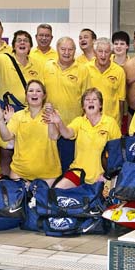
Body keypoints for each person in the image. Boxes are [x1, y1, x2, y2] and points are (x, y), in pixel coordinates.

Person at [48, 88, 122, 188]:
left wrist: (107, 175)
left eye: (94, 99)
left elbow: (118, 151)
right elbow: (67, 134)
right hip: (78, 173)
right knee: (56, 192)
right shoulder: (79, 121)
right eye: (87, 99)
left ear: (100, 105)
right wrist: (59, 122)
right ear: (83, 106)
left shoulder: (110, 123)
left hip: (101, 176)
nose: (90, 101)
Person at [0, 80, 61, 185]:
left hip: (48, 175)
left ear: (44, 96)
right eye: (31, 91)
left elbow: (54, 136)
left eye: (38, 91)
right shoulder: (18, 116)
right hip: (20, 173)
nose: (34, 93)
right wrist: (1, 121)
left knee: (41, 200)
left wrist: (50, 119)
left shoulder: (53, 113)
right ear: (26, 95)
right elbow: (6, 137)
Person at [42, 36, 90, 170]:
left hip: (71, 126)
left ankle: (65, 190)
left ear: (75, 51)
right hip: (48, 125)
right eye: (63, 49)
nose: (66, 53)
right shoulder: (47, 66)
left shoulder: (83, 70)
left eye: (70, 49)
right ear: (57, 49)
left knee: (68, 164)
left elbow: (87, 98)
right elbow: (40, 92)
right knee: (49, 164)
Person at [0, 26, 41, 102]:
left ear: (30, 46)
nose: (22, 42)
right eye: (19, 40)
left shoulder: (37, 64)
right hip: (7, 110)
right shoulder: (4, 59)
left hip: (29, 110)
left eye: (26, 41)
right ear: (13, 46)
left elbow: (41, 89)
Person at [86, 38, 126, 125]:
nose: (103, 55)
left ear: (111, 53)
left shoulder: (119, 71)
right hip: (89, 121)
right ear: (95, 52)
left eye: (107, 52)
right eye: (100, 51)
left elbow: (121, 100)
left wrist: (120, 121)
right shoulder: (85, 69)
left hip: (112, 121)